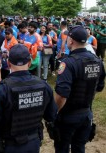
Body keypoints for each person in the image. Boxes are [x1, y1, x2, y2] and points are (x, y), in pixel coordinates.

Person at [0, 44, 57, 153]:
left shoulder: (1, 90)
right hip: (33, 143)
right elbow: (51, 116)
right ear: (30, 62)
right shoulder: (44, 86)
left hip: (8, 146)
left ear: (8, 63)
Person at [54, 25, 105, 153]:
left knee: (62, 148)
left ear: (71, 41)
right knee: (79, 147)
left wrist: (54, 113)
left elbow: (62, 95)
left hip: (68, 115)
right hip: (87, 114)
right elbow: (100, 87)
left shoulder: (68, 63)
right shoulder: (97, 61)